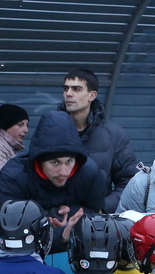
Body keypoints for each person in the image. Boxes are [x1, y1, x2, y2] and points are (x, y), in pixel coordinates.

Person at [0, 110, 109, 253]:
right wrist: (47, 220)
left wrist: (69, 220)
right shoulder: (14, 176)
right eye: (55, 162)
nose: (64, 171)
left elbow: (96, 215)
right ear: (39, 160)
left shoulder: (89, 172)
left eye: (69, 161)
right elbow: (8, 228)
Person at [56, 68, 137, 212]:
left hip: (97, 222)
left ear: (92, 95)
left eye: (76, 89)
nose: (68, 93)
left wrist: (102, 207)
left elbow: (129, 181)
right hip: (58, 218)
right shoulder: (51, 130)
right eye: (66, 88)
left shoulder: (114, 134)